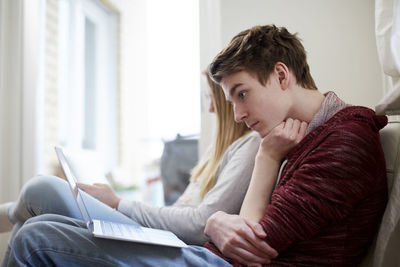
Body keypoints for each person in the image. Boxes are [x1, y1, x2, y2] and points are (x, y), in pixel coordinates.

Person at [2, 24, 388, 267]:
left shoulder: (342, 142)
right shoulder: (300, 134)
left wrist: (225, 212)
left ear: (281, 75)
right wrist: (222, 221)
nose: (236, 114)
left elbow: (252, 243)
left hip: (221, 261)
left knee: (37, 237)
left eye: (242, 94)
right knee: (44, 222)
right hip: (214, 255)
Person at [0, 72, 261, 247]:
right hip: (162, 233)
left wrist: (118, 203)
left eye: (210, 97)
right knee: (29, 225)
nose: (210, 108)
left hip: (173, 241)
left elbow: (198, 223)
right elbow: (183, 213)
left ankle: (8, 214)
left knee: (43, 189)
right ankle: (14, 215)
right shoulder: (221, 151)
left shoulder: (250, 146)